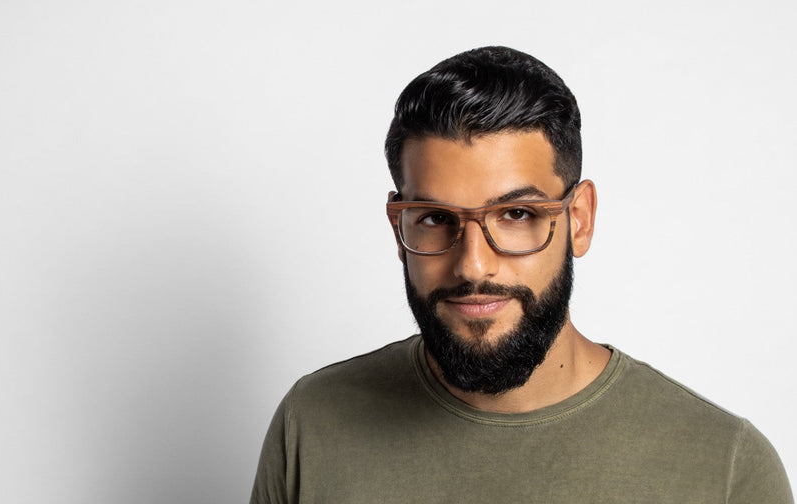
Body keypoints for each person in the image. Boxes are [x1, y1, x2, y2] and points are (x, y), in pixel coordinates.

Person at [250, 46, 792, 504]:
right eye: (436, 219)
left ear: (578, 220)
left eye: (516, 215)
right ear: (399, 229)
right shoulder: (313, 426)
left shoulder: (723, 469)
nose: (473, 265)